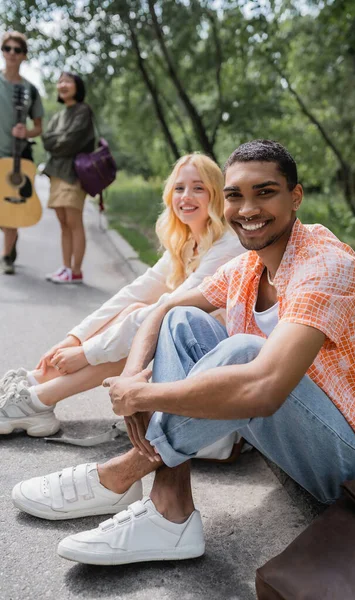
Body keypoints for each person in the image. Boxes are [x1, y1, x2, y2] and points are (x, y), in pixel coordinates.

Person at [11, 139, 355, 567]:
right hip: (295, 435)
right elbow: (162, 311)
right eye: (235, 195)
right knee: (183, 324)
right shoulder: (249, 264)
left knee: (248, 352)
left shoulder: (325, 266)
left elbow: (264, 389)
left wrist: (143, 398)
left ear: (295, 197)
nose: (247, 208)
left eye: (264, 192)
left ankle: (118, 476)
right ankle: (170, 514)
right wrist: (133, 375)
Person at [0, 153, 244, 441]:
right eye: (179, 188)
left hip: (222, 367)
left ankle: (38, 399)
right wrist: (76, 337)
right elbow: (135, 291)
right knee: (136, 309)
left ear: (215, 194)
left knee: (147, 323)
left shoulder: (227, 248)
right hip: (192, 354)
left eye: (198, 188)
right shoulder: (189, 240)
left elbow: (165, 309)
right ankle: (36, 384)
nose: (186, 196)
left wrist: (86, 354)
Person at [42, 71, 95, 284]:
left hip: (74, 174)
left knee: (74, 222)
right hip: (56, 173)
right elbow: (46, 140)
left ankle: (76, 271)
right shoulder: (59, 115)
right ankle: (65, 268)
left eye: (68, 81)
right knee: (63, 223)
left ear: (77, 86)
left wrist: (56, 140)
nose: (63, 85)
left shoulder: (83, 111)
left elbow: (70, 141)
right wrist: (56, 140)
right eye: (60, 81)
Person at [0, 31, 44, 275]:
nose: (12, 54)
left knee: (11, 208)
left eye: (17, 50)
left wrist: (25, 132)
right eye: (7, 48)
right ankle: (9, 240)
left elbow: (38, 127)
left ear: (24, 55)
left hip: (17, 157)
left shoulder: (31, 90)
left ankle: (6, 256)